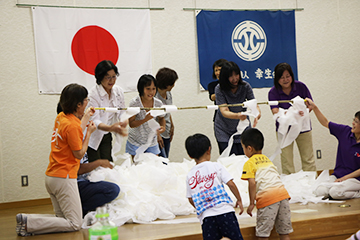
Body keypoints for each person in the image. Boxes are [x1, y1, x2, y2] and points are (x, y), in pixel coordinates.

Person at [16, 84, 96, 236]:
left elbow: (76, 128)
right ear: (78, 104)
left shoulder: (61, 117)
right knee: (75, 223)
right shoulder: (72, 125)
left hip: (52, 176)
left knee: (63, 219)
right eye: (86, 100)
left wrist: (86, 116)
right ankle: (29, 221)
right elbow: (79, 154)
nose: (87, 102)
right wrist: (89, 133)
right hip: (64, 178)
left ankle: (27, 223)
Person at [57, 102, 120, 216]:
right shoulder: (70, 130)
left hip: (75, 180)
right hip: (73, 183)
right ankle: (80, 209)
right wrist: (99, 162)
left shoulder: (67, 127)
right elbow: (79, 164)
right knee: (113, 189)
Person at [185, 133, 244, 240]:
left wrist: (202, 208)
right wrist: (239, 199)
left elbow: (190, 198)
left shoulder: (190, 175)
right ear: (209, 149)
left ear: (190, 155)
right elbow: (230, 184)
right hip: (225, 212)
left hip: (207, 217)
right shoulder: (216, 166)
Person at [241, 128, 293, 240]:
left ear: (249, 148)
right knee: (284, 233)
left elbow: (252, 183)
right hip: (283, 196)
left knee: (262, 234)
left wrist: (251, 203)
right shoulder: (268, 160)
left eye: (243, 147)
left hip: (268, 198)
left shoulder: (249, 163)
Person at [305, 98, 360, 199]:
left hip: (356, 179)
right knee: (320, 191)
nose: (353, 123)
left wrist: (344, 178)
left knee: (335, 192)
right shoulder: (345, 132)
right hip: (338, 175)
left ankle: (358, 193)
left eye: (356, 122)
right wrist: (314, 107)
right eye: (353, 120)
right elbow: (325, 122)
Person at [268, 62, 316, 174]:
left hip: (303, 127)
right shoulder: (273, 92)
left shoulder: (301, 86)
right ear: (277, 79)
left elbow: (310, 105)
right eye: (282, 77)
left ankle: (311, 185)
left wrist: (302, 113)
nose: (285, 80)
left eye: (287, 76)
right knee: (286, 161)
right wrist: (292, 115)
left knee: (308, 158)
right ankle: (290, 186)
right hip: (284, 130)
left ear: (292, 76)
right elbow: (275, 112)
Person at [214, 61, 261, 155]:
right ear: (225, 77)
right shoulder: (219, 89)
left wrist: (257, 114)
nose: (235, 79)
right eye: (231, 76)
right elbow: (224, 111)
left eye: (237, 75)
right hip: (223, 129)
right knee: (228, 160)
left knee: (246, 158)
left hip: (243, 127)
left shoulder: (245, 86)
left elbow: (254, 104)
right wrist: (238, 115)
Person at [87, 60, 128, 163]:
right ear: (100, 77)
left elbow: (122, 110)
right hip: (92, 135)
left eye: (114, 76)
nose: (111, 80)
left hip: (107, 134)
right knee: (95, 166)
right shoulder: (93, 94)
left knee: (107, 164)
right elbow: (94, 120)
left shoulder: (118, 91)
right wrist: (111, 128)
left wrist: (124, 120)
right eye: (108, 77)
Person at [126, 74, 166, 160]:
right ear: (141, 89)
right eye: (148, 89)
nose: (151, 92)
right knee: (138, 168)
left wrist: (163, 128)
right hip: (135, 141)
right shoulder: (134, 103)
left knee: (154, 166)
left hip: (152, 140)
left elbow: (162, 118)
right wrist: (145, 119)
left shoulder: (158, 103)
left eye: (153, 89)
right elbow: (131, 123)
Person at [155, 67, 178, 158]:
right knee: (162, 160)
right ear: (166, 84)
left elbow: (168, 110)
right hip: (157, 132)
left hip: (167, 130)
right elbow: (150, 118)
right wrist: (157, 134)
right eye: (172, 83)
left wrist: (172, 125)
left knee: (166, 157)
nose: (174, 85)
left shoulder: (168, 94)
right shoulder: (154, 96)